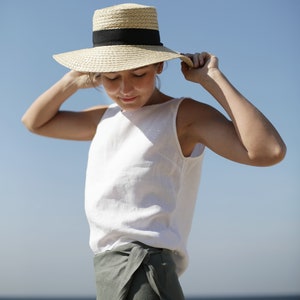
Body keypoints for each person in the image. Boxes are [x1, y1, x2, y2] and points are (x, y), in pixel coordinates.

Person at [22, 3, 286, 300]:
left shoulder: (183, 115)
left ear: (160, 65)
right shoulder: (105, 118)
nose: (125, 89)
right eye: (111, 78)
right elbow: (35, 122)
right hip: (109, 268)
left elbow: (268, 151)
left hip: (142, 266)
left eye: (138, 74)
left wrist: (212, 80)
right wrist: (72, 80)